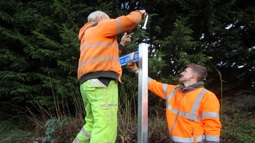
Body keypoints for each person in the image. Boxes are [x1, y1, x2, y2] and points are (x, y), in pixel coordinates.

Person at [73, 10, 146, 143]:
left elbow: (106, 58)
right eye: (108, 19)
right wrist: (139, 12)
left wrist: (122, 44)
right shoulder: (100, 25)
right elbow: (131, 21)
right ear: (101, 18)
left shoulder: (88, 34)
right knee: (105, 126)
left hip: (88, 84)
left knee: (91, 123)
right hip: (102, 83)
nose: (109, 21)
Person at [128, 63, 221, 143]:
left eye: (185, 71)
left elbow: (212, 125)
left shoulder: (207, 96)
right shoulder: (174, 90)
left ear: (193, 75)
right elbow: (152, 84)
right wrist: (136, 69)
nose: (181, 73)